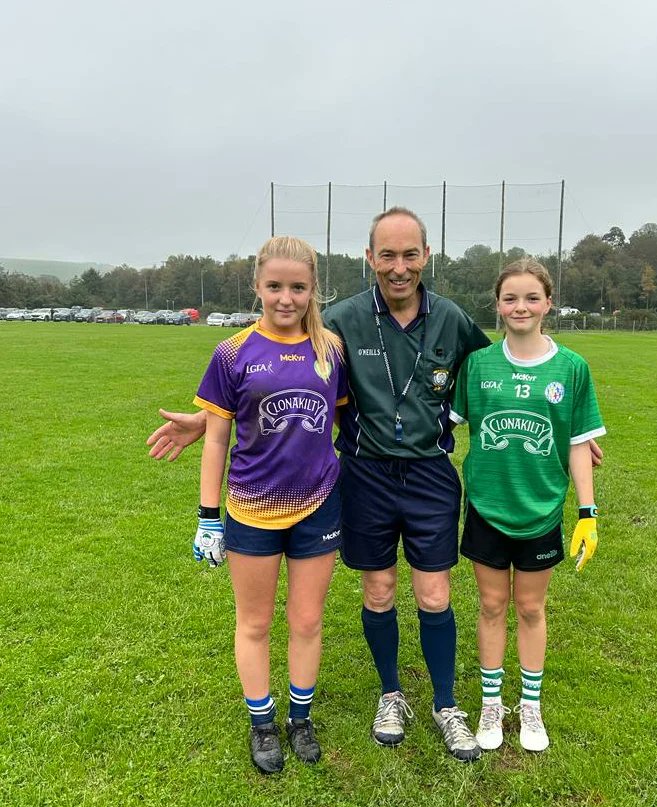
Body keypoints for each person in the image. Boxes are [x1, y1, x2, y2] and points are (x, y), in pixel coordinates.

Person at [147, 209, 604, 763]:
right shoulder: (340, 322)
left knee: (434, 594)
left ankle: (445, 705)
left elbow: (499, 369)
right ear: (370, 259)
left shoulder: (452, 319)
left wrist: (568, 430)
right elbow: (280, 373)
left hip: (430, 473)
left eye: (410, 255)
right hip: (363, 472)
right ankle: (390, 695)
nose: (399, 267)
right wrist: (207, 421)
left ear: (426, 256)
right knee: (379, 590)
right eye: (387, 255)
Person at [192, 235, 347, 775]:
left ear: (313, 289)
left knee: (307, 620)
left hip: (319, 504)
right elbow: (216, 439)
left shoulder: (331, 351)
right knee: (254, 623)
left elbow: (345, 420)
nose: (286, 298)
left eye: (298, 287)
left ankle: (300, 718)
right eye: (275, 286)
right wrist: (208, 517)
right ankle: (262, 723)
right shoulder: (232, 352)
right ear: (257, 285)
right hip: (251, 508)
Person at [450, 258, 605, 754]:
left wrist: (587, 514)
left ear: (548, 304)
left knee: (531, 608)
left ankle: (531, 706)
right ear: (497, 305)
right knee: (492, 605)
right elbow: (443, 425)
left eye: (531, 298)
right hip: (487, 507)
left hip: (541, 511)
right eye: (510, 298)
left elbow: (578, 444)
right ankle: (491, 704)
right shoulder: (478, 365)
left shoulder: (571, 368)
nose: (521, 306)